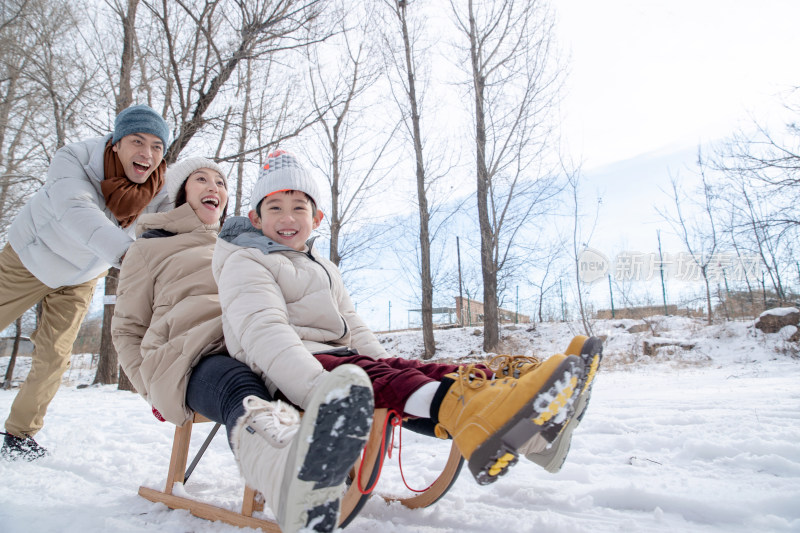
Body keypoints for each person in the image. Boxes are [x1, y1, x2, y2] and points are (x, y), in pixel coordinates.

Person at [212, 150, 604, 485]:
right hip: (292, 372)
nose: (288, 217)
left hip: (340, 357)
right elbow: (265, 333)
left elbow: (354, 324)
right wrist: (316, 388)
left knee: (420, 371)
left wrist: (385, 362)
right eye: (275, 207)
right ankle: (482, 417)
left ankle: (536, 431)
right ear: (255, 217)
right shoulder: (246, 261)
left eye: (299, 207)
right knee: (388, 380)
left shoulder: (321, 264)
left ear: (317, 217)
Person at [111, 157, 374, 533]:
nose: (213, 187)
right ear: (180, 192)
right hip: (193, 356)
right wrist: (149, 388)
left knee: (302, 365)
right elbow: (126, 328)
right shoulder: (149, 249)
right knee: (241, 387)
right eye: (201, 179)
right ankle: (285, 478)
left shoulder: (244, 243)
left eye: (220, 182)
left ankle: (325, 464)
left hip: (252, 342)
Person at [0, 104, 174, 461]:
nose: (147, 153)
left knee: (55, 356)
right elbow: (78, 212)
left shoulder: (159, 189)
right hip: (29, 258)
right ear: (115, 143)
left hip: (79, 278)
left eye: (157, 146)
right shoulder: (73, 160)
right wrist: (131, 259)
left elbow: (175, 226)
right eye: (137, 141)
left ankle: (20, 435)